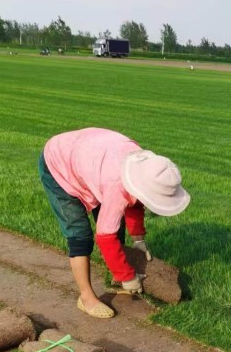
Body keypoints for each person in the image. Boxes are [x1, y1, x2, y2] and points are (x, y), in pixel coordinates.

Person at [39, 127, 190, 319]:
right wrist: (127, 275)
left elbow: (135, 202)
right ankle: (86, 298)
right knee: (80, 235)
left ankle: (117, 277)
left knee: (115, 225)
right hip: (58, 163)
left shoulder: (145, 167)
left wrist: (138, 240)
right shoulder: (116, 184)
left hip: (89, 158)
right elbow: (105, 237)